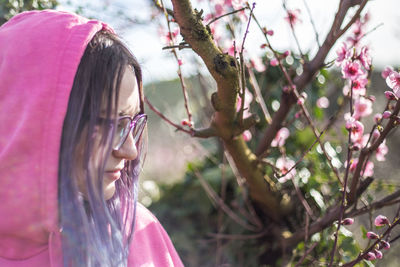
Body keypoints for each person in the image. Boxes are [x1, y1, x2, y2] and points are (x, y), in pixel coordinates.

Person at [0, 9, 184, 267]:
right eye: (110, 124)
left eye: (132, 124)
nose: (130, 151)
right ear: (32, 121)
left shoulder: (140, 235)